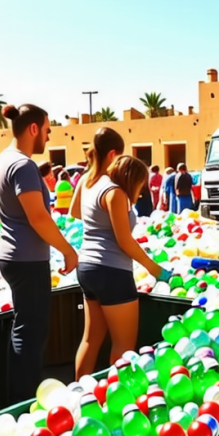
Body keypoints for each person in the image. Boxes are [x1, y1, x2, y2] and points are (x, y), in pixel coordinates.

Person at [0, 103, 78, 402]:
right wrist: (68, 250)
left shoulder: (4, 160)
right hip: (26, 259)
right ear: (33, 129)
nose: (48, 137)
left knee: (24, 327)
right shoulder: (23, 166)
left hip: (14, 255)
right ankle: (25, 399)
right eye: (47, 130)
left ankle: (20, 393)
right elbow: (38, 216)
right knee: (31, 332)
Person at [70, 135, 164, 377]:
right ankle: (115, 402)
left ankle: (79, 396)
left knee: (90, 339)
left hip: (87, 267)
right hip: (112, 271)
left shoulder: (86, 182)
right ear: (113, 154)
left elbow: (73, 211)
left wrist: (98, 226)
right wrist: (155, 269)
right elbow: (124, 241)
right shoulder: (114, 192)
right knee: (123, 346)